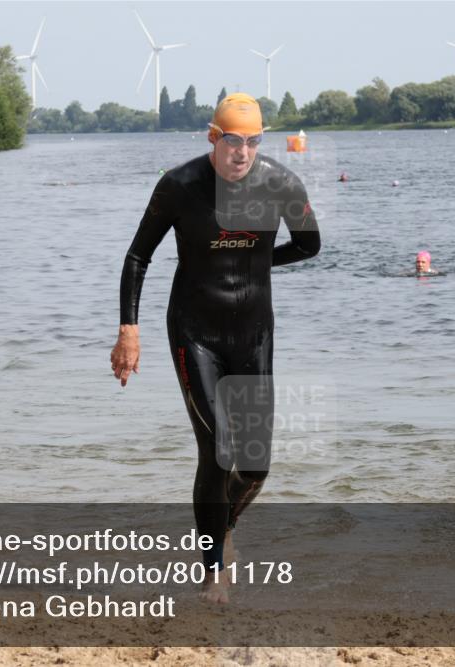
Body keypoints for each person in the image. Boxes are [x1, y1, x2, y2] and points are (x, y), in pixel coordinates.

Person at [110, 93, 320, 604]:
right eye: (232, 142)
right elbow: (139, 256)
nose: (242, 153)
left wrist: (258, 264)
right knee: (219, 447)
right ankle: (213, 572)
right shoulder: (180, 185)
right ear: (213, 138)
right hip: (193, 331)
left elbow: (310, 244)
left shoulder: (281, 184)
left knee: (256, 465)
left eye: (252, 142)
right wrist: (128, 330)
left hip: (253, 333)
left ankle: (221, 524)